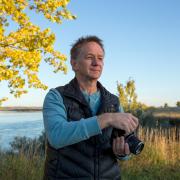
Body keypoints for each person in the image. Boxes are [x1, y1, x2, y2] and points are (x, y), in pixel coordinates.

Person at [43, 35, 139, 180]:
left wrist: (122, 153)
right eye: (89, 57)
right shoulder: (56, 96)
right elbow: (56, 136)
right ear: (74, 64)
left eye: (100, 58)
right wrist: (106, 119)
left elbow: (122, 151)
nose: (96, 63)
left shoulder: (113, 101)